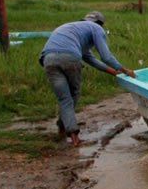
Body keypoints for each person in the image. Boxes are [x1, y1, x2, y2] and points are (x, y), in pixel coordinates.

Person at [40, 11, 135, 147]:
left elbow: (92, 60)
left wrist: (115, 73)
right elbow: (106, 57)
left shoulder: (73, 30)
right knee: (73, 95)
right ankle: (74, 137)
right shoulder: (96, 28)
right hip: (70, 58)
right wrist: (124, 69)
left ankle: (63, 127)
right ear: (100, 24)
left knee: (64, 99)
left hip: (48, 59)